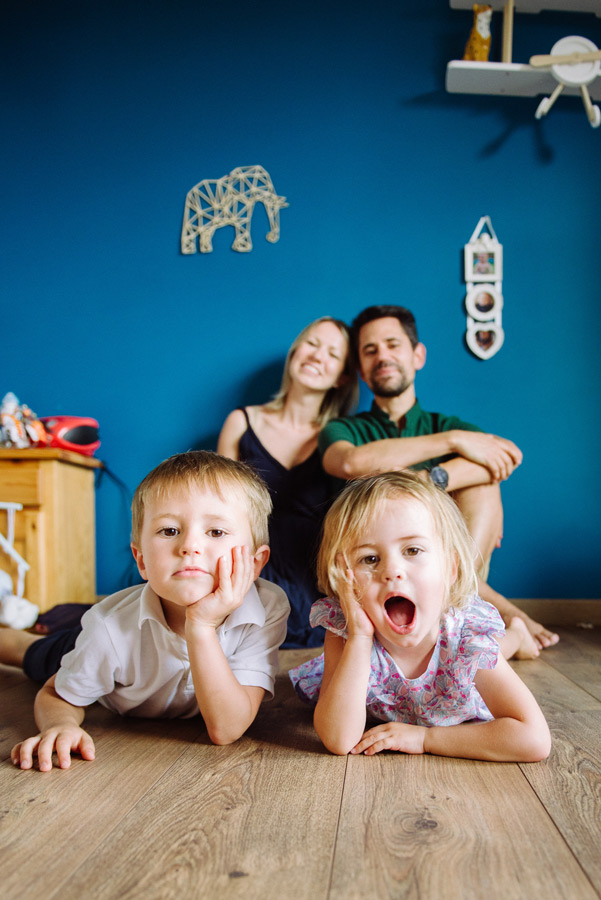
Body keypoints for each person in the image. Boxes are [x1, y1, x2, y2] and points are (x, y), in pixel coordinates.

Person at [4, 450, 289, 771]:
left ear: (254, 563)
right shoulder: (108, 629)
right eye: (169, 531)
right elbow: (57, 694)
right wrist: (60, 726)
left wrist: (200, 626)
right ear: (141, 560)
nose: (189, 546)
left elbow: (226, 729)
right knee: (26, 650)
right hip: (94, 647)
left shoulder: (267, 606)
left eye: (216, 532)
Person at [318, 305, 558, 654]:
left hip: (432, 559)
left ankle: (458, 600)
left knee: (484, 484)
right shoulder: (343, 429)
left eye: (392, 344)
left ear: (418, 355)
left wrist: (428, 478)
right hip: (374, 564)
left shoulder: (444, 422)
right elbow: (352, 462)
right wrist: (452, 442)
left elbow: (505, 457)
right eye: (370, 351)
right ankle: (501, 618)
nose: (382, 356)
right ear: (362, 372)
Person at [289, 471, 551, 761]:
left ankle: (517, 634)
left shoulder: (467, 638)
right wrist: (360, 637)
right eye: (370, 559)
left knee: (492, 651)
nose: (391, 571)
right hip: (393, 650)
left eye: (412, 550)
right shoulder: (346, 631)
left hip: (455, 674)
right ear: (345, 579)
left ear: (450, 568)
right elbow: (339, 739)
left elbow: (534, 739)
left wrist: (427, 738)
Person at [218, 316, 358, 647]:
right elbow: (217, 510)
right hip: (249, 570)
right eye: (311, 343)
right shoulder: (240, 422)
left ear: (342, 377)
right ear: (295, 352)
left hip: (315, 579)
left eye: (332, 354)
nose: (317, 355)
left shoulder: (342, 440)